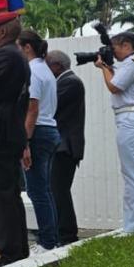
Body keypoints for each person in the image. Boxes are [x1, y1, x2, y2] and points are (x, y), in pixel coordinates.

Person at [95, 31, 134, 235]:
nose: (114, 53)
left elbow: (114, 87)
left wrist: (103, 67)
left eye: (115, 48)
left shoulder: (133, 61)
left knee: (133, 174)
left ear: (127, 45)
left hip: (131, 117)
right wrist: (109, 67)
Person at [0, 16, 31, 266]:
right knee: (9, 194)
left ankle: (9, 252)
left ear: (2, 31)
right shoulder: (19, 56)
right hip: (12, 130)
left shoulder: (1, 57)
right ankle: (18, 249)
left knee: (0, 195)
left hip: (1, 131)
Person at [17, 30, 61, 253]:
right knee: (44, 189)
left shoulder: (33, 71)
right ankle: (51, 237)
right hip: (49, 131)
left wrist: (25, 143)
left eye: (18, 46)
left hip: (38, 133)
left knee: (37, 191)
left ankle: (47, 241)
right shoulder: (45, 70)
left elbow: (32, 109)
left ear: (27, 48)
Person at [46, 50, 85, 246]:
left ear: (57, 66)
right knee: (56, 190)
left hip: (65, 146)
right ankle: (62, 232)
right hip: (62, 145)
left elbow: (51, 106)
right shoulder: (66, 82)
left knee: (58, 190)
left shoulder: (69, 82)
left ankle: (67, 235)